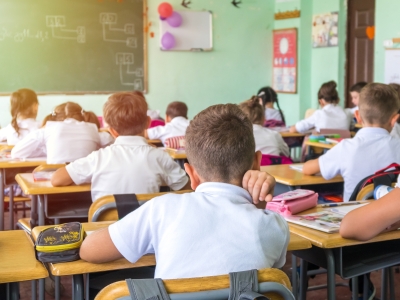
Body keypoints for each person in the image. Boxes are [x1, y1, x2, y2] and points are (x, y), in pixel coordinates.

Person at [79, 103, 289, 280]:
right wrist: (259, 201)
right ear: (258, 163)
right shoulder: (275, 225)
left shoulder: (162, 209)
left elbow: (90, 250)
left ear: (191, 174)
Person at [51, 92, 191, 202]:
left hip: (105, 231)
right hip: (146, 232)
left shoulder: (99, 157)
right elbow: (187, 187)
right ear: (148, 123)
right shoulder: (160, 157)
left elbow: (57, 179)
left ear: (111, 131)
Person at [302, 83, 400, 202]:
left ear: (357, 116)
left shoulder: (346, 147)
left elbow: (307, 169)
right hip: (393, 218)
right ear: (394, 120)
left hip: (352, 215)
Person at [11, 102, 109, 164]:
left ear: (54, 117)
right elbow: (112, 142)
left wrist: (45, 150)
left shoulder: (47, 130)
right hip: (86, 190)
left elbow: (16, 152)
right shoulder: (93, 129)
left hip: (52, 189)